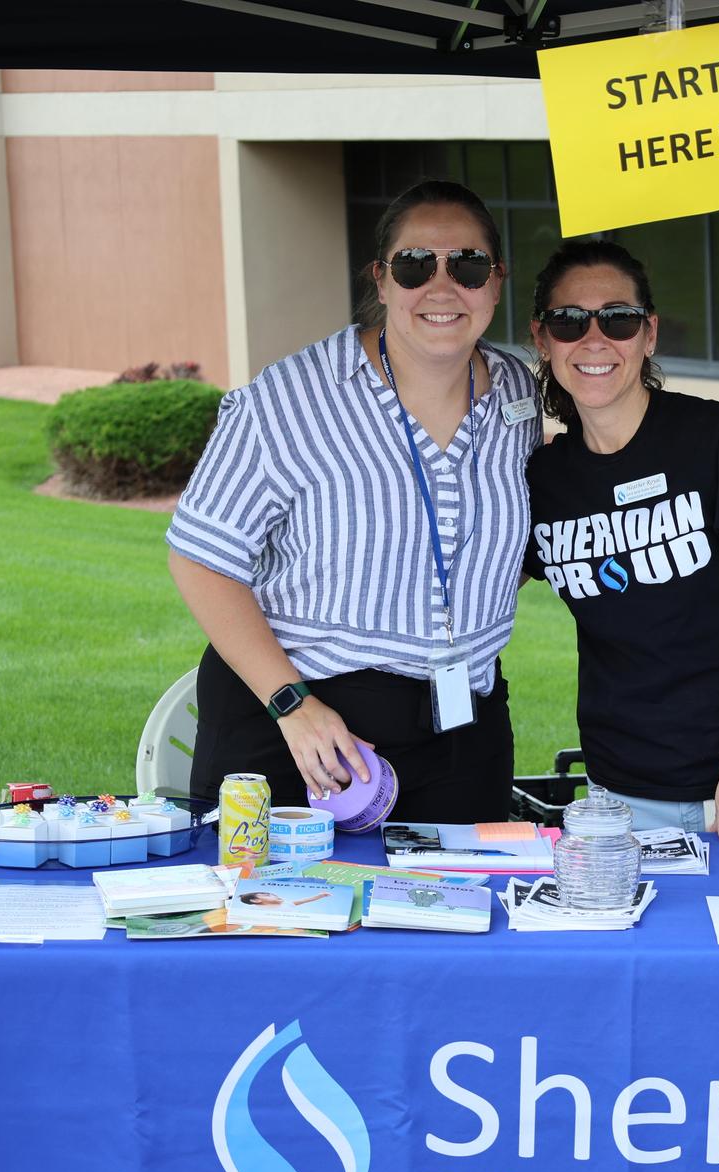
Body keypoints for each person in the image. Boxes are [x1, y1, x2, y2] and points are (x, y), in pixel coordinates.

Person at [168, 180, 540, 820]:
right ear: (383, 278)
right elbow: (201, 558)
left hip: (462, 731)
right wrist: (293, 705)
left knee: (461, 914)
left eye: (469, 265)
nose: (442, 287)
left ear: (497, 281)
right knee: (277, 918)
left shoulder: (519, 400)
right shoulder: (287, 398)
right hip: (300, 729)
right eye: (416, 264)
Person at [522, 240, 719, 855]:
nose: (595, 339)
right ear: (543, 339)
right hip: (624, 798)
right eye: (570, 321)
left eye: (619, 319)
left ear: (649, 334)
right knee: (644, 954)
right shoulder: (543, 481)